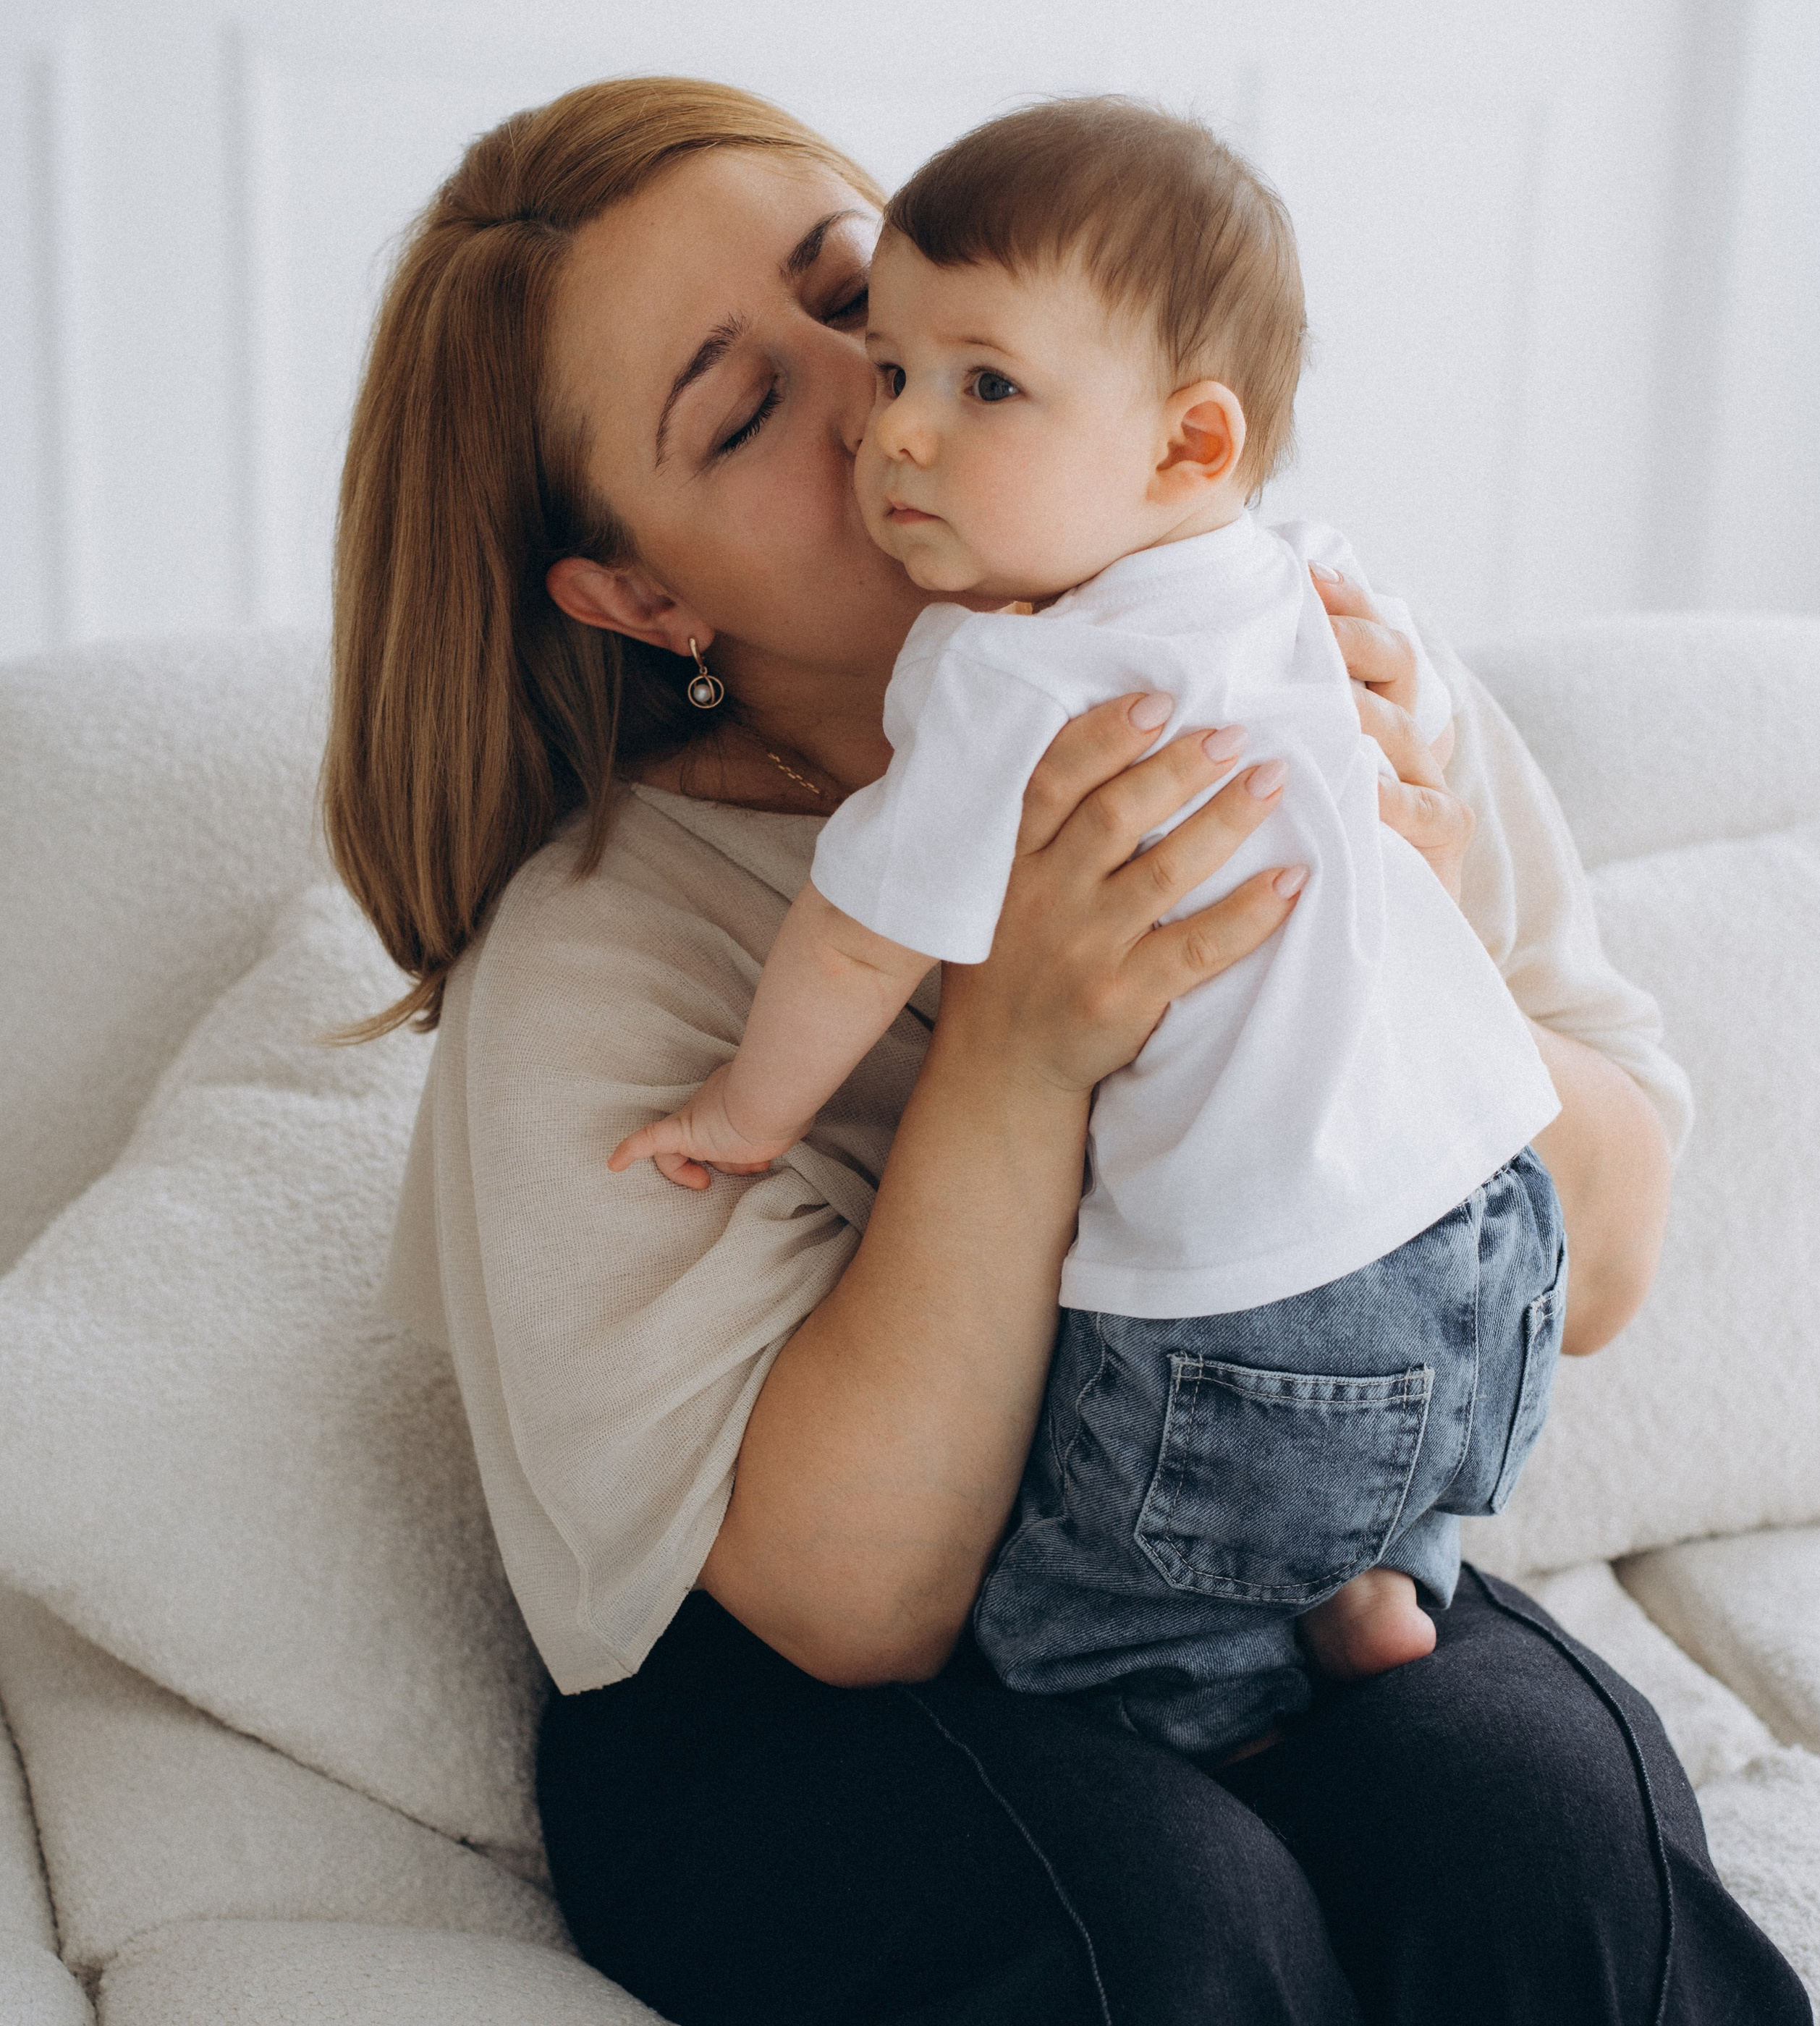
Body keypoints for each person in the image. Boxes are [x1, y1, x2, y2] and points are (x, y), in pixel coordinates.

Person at [326, 75, 1811, 2026]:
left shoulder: (1302, 648)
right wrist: (1017, 1036)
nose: (883, 393)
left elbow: (1612, 1244)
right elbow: (847, 1595)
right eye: (756, 406)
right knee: (1163, 1924)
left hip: (1241, 1525)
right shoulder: (605, 956)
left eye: (860, 278)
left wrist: (1405, 904)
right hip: (796, 1701)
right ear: (639, 597)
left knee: (1546, 1821)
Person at [609, 98, 1566, 1752]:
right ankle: (1361, 1580)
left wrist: (739, 1111)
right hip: (1485, 1233)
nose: (883, 426)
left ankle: (1233, 1668)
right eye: (887, 367)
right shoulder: (1299, 581)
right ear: (631, 596)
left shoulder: (1010, 676)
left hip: (1250, 1312)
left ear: (1189, 442)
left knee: (1069, 1645)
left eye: (968, 380)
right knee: (1344, 1467)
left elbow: (858, 926)